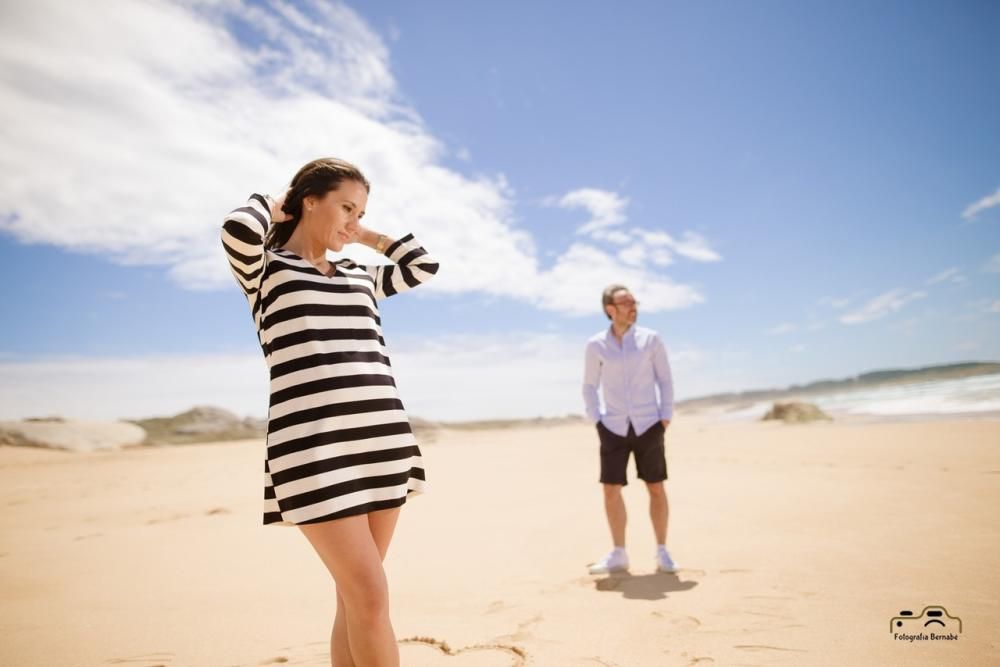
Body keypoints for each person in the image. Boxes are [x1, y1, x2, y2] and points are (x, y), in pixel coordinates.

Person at [220, 157, 438, 667]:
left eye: (360, 211)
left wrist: (361, 234)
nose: (353, 219)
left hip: (383, 443)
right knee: (369, 596)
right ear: (307, 202)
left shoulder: (358, 275)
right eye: (345, 206)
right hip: (315, 451)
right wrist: (279, 204)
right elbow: (237, 226)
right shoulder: (265, 271)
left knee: (355, 598)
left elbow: (422, 266)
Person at [583, 284, 677, 575]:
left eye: (635, 301)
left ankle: (662, 551)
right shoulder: (596, 345)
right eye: (626, 302)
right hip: (612, 426)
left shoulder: (651, 339)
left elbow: (665, 380)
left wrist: (665, 416)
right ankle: (619, 553)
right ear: (610, 309)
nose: (633, 306)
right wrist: (596, 419)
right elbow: (589, 385)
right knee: (611, 490)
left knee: (656, 487)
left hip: (649, 423)